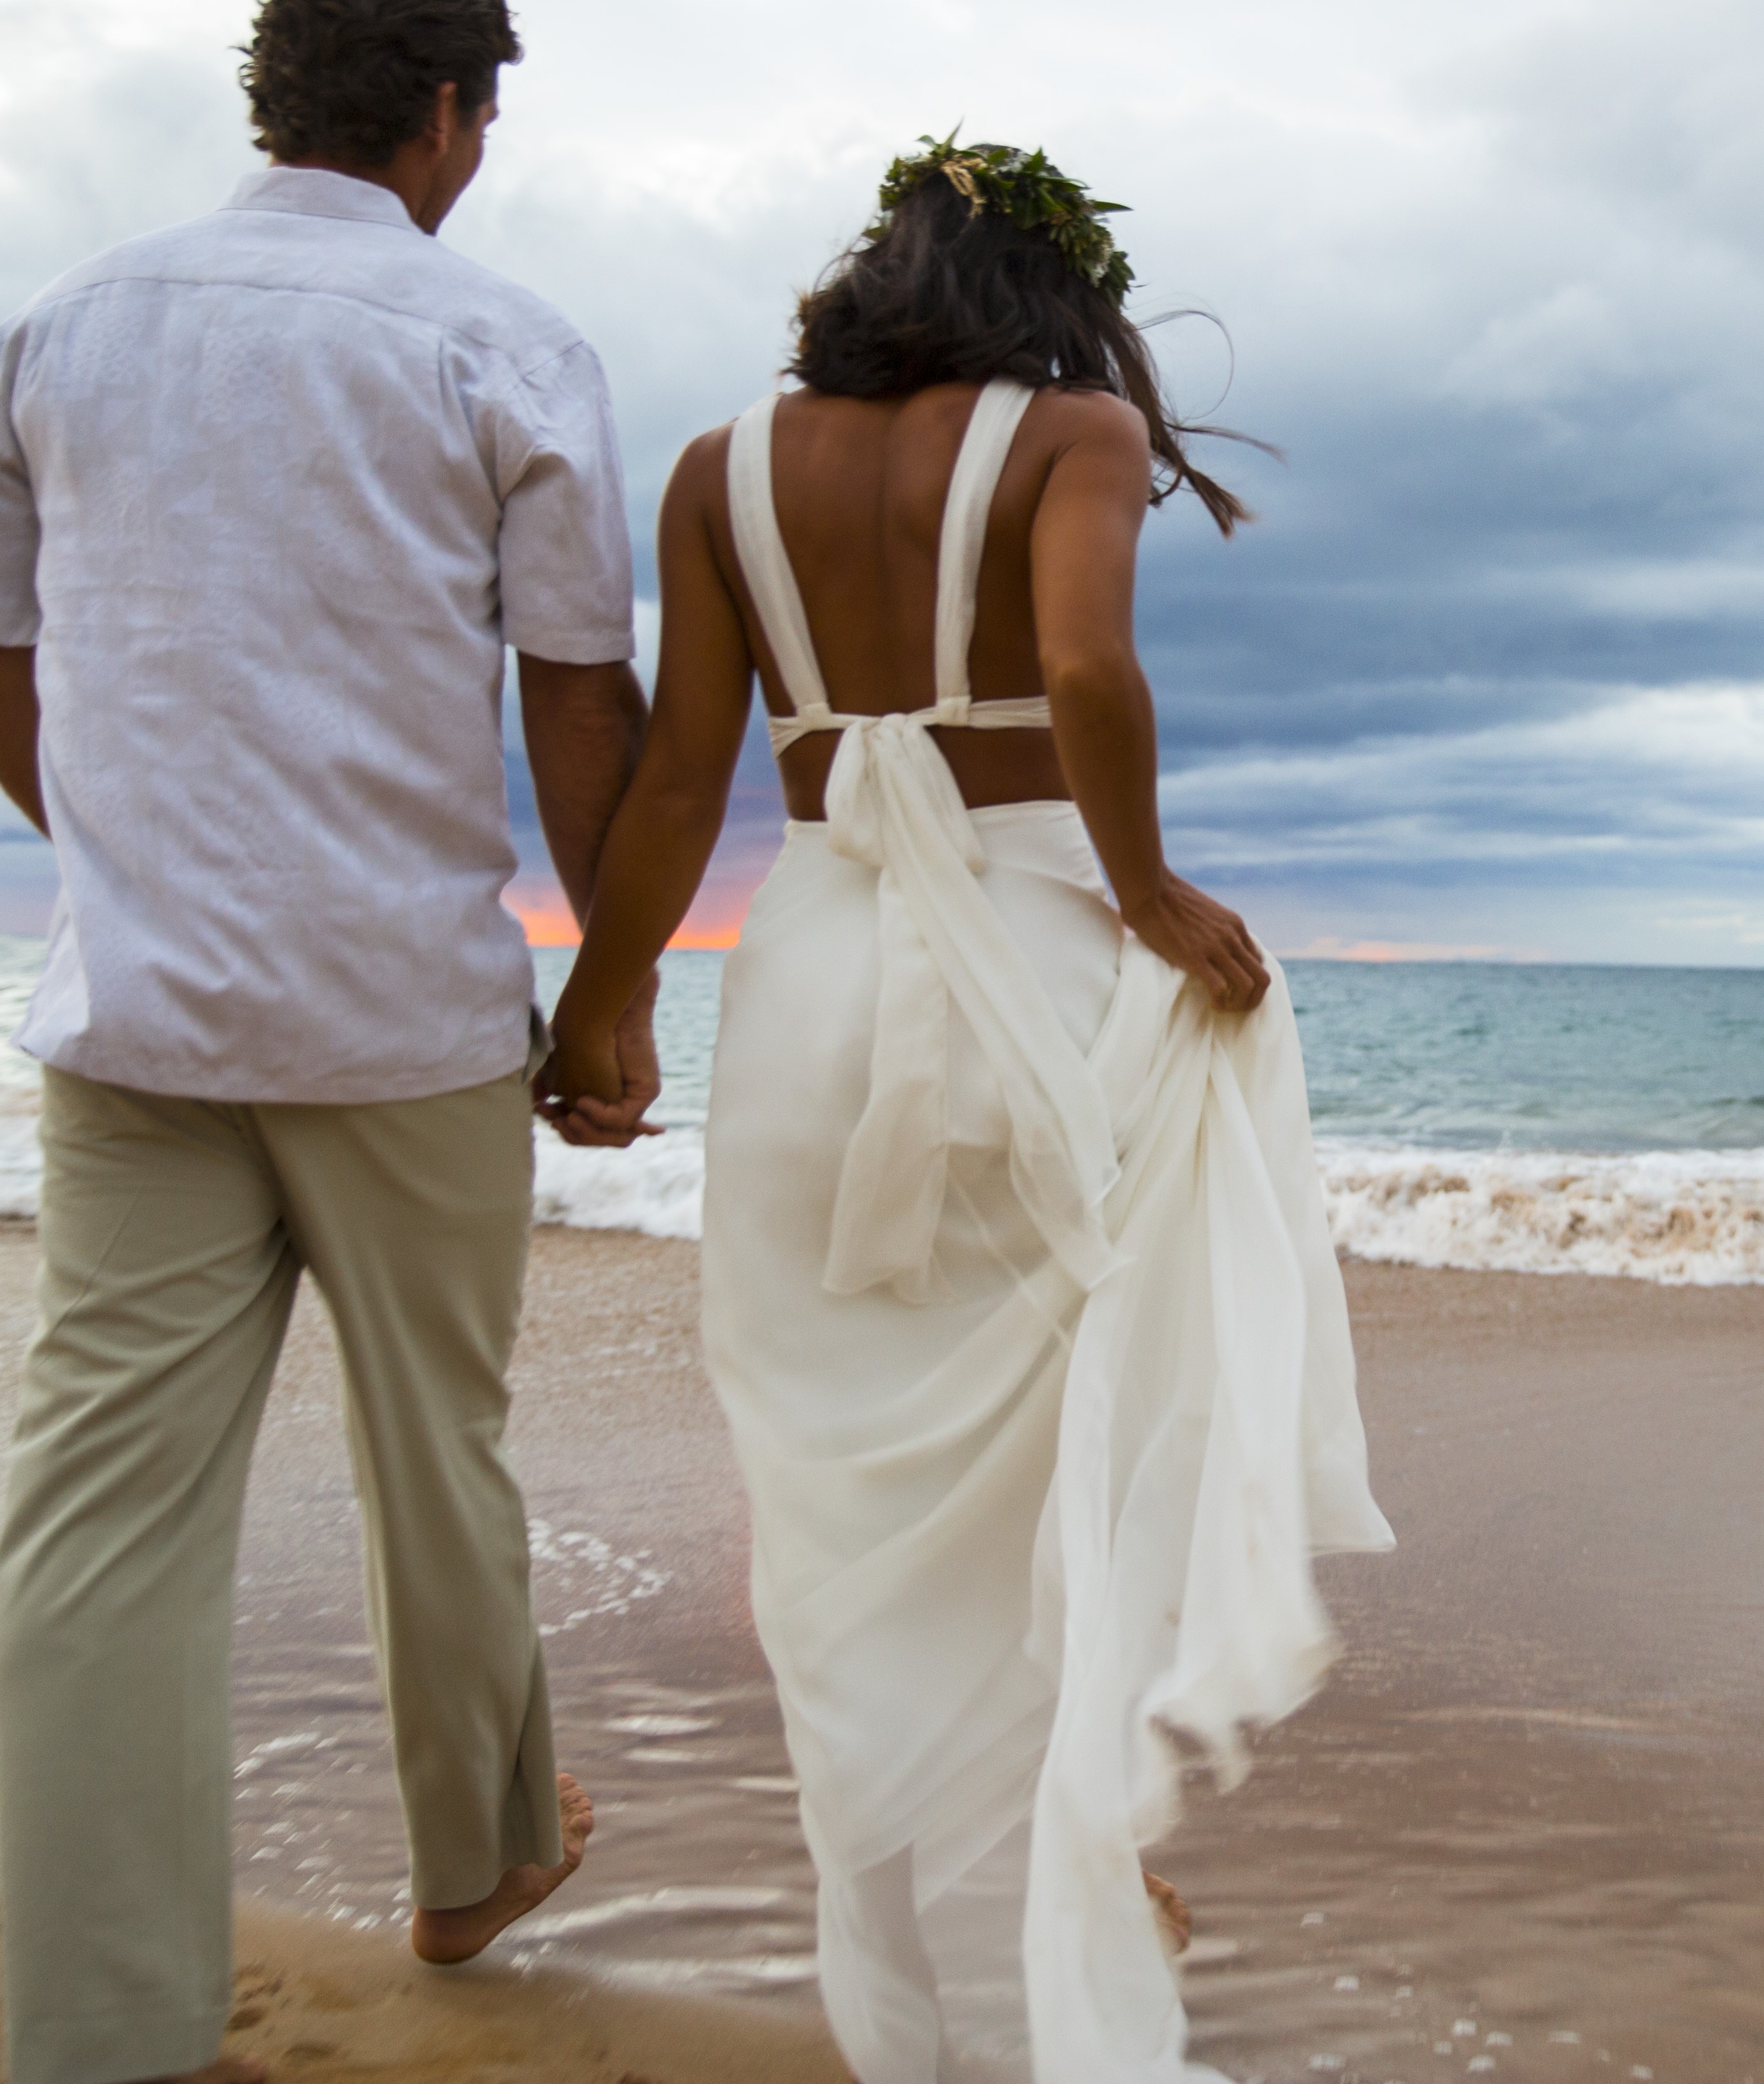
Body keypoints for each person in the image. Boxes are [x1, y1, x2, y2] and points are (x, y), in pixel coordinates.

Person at [543, 136, 1390, 2080]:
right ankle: (1083, 1891)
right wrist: (1155, 889)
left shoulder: (714, 471)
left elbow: (683, 778)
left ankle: (953, 1960)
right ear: (1052, 294)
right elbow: (1086, 666)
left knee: (844, 1518)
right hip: (1039, 961)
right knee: (1077, 1455)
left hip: (810, 981)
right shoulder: (1074, 435)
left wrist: (598, 1007)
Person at [0, 0, 652, 2084]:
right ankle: (477, 1864)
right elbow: (578, 701)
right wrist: (607, 994)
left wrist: (134, 861)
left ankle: (100, 2029)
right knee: (442, 1453)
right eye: (486, 119)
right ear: (440, 112)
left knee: (100, 1522)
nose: (482, 156)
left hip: (134, 1024)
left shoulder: (59, 327)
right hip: (401, 1013)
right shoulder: (498, 342)